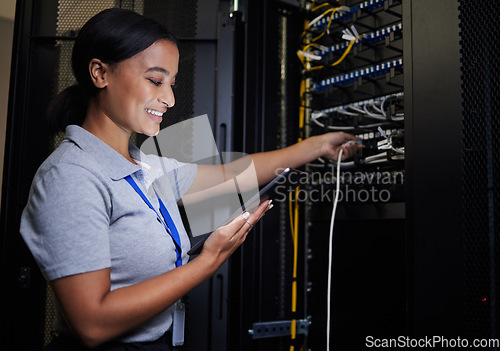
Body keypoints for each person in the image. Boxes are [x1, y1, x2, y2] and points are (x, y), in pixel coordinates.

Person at [20, 8, 361, 351]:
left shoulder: (145, 166)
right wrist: (208, 261)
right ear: (99, 73)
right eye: (155, 80)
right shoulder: (71, 176)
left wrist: (317, 146)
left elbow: (232, 173)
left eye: (172, 83)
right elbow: (92, 324)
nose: (169, 99)